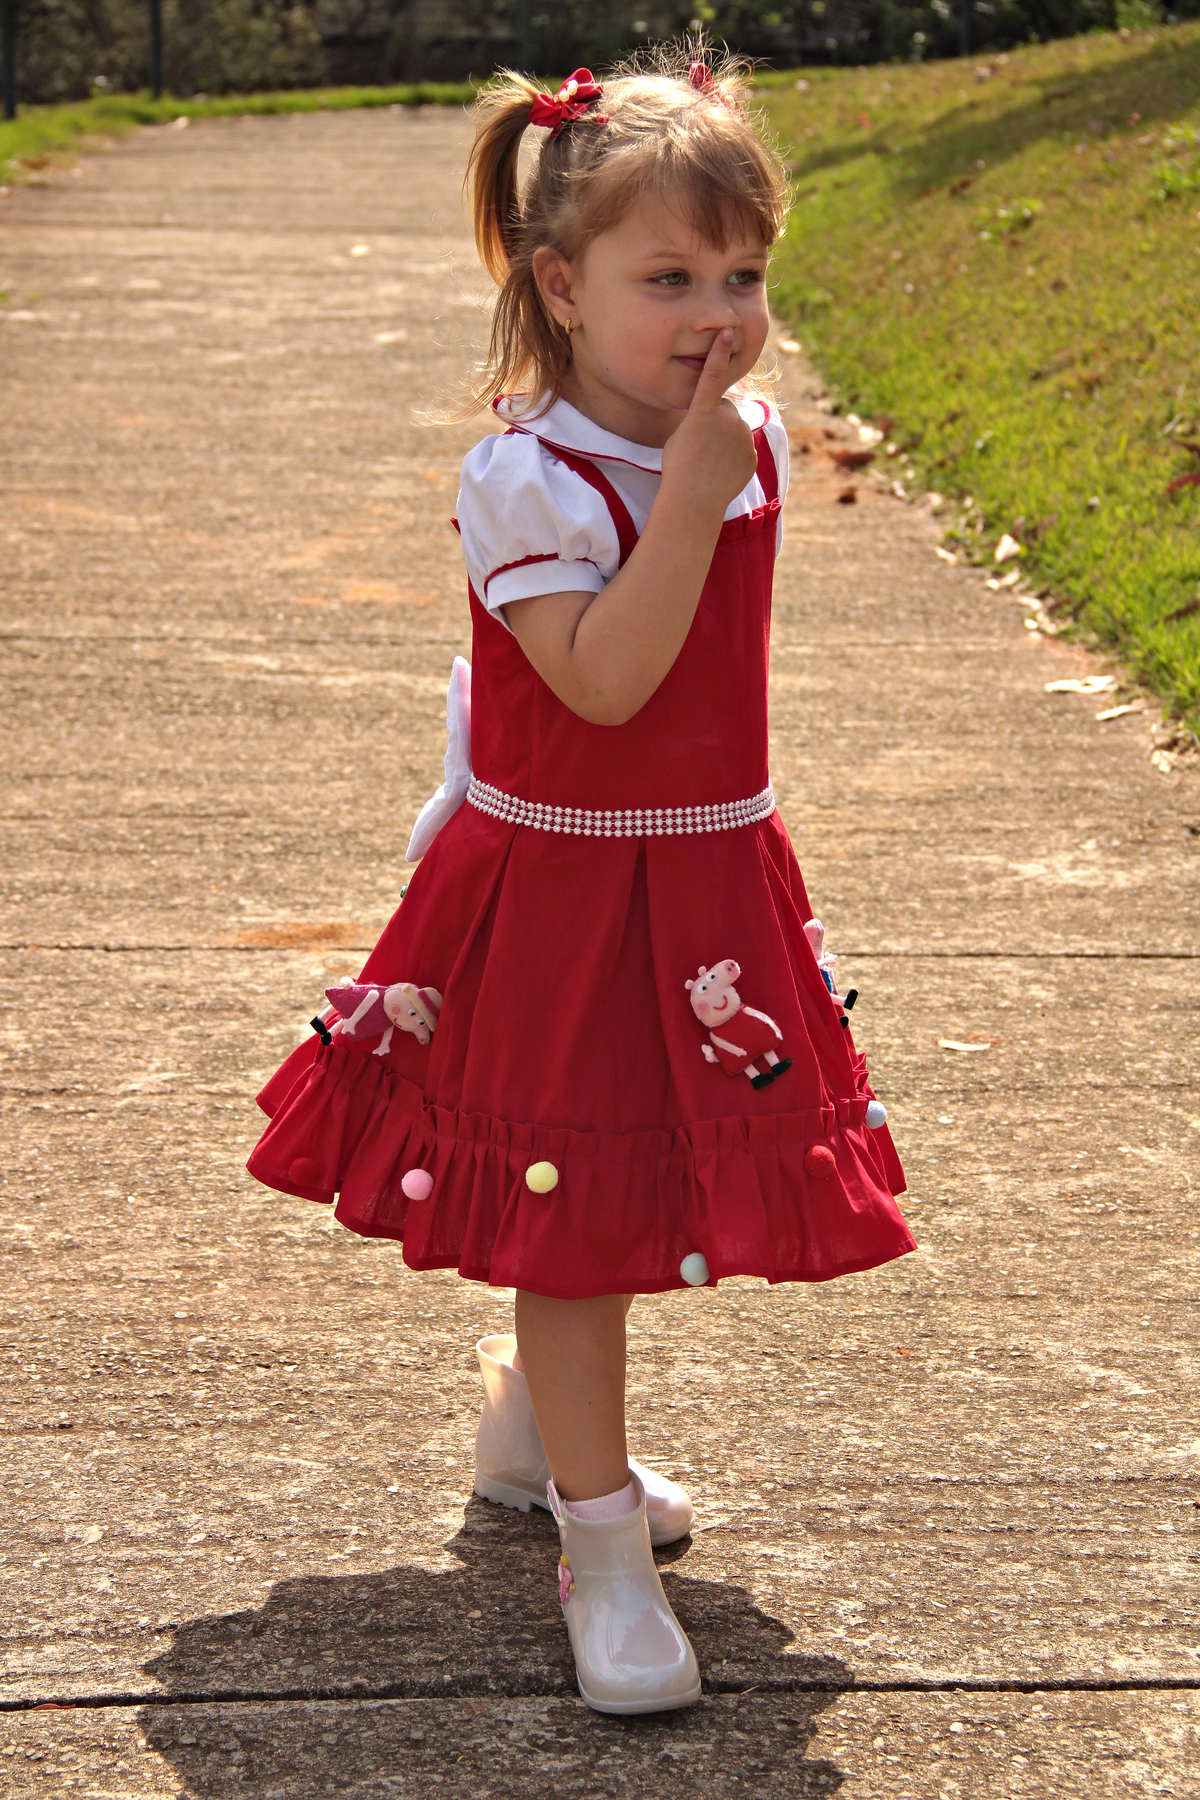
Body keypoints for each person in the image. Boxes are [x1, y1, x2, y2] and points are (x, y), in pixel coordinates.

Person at [247, 47, 914, 1717]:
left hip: (703, 874)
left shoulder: (734, 441)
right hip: (561, 898)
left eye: (743, 276)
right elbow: (603, 684)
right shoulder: (529, 479)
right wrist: (687, 497)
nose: (718, 315)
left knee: (630, 1185)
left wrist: (707, 474)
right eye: (667, 279)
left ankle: (529, 1435)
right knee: (572, 1202)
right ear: (561, 286)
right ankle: (599, 1549)